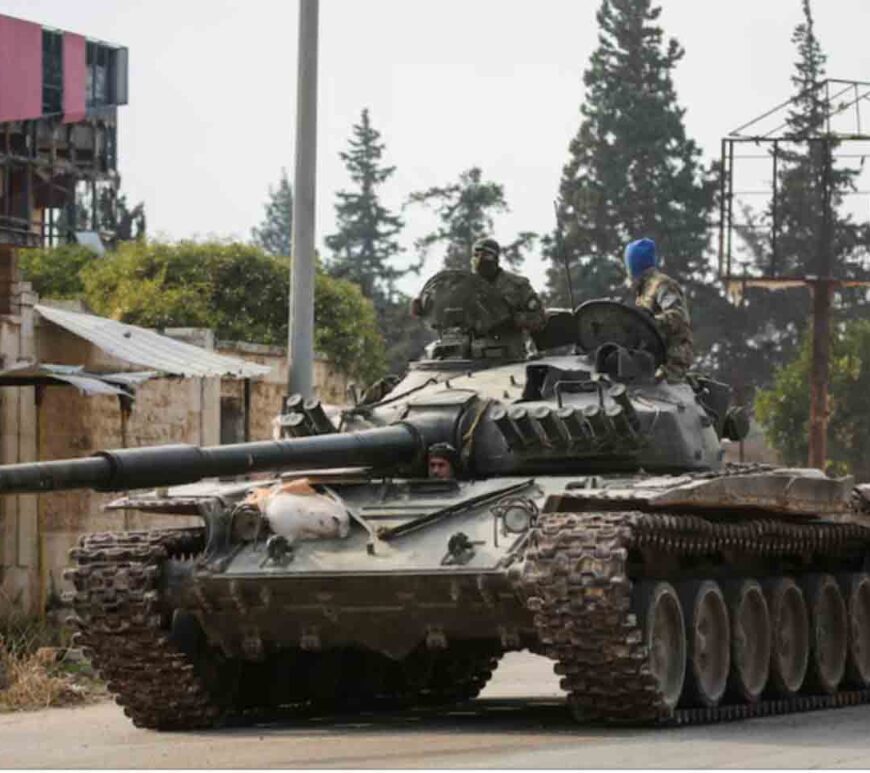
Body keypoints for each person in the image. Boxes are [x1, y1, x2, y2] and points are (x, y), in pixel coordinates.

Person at [624, 238, 693, 382]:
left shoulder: (662, 285)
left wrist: (649, 322)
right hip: (651, 361)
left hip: (671, 362)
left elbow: (677, 317)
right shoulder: (643, 289)